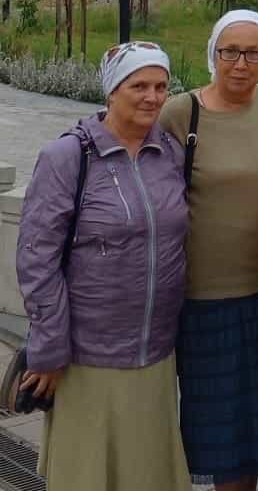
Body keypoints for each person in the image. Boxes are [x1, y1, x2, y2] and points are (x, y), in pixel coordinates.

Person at [17, 42, 191, 491]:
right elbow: (37, 257)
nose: (152, 97)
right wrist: (49, 348)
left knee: (146, 474)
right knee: (89, 475)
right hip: (87, 357)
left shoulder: (169, 152)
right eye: (139, 86)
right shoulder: (67, 157)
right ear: (112, 91)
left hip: (155, 355)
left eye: (161, 86)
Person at [160, 9, 258, 491]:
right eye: (230, 52)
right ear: (212, 54)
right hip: (208, 298)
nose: (241, 64)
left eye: (253, 53)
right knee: (225, 434)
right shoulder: (181, 113)